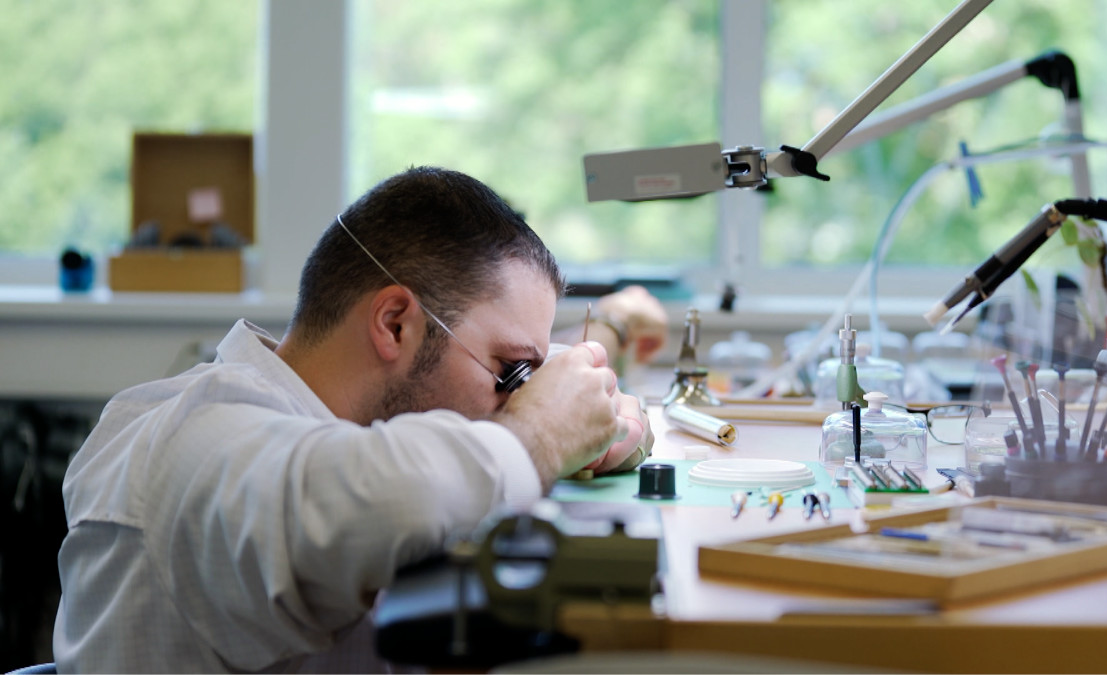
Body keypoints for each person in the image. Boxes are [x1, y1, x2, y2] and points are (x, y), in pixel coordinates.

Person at [53, 167, 666, 672]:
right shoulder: (185, 438)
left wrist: (590, 413)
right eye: (510, 373)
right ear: (395, 323)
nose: (516, 399)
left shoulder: (317, 426)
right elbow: (392, 501)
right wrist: (542, 433)